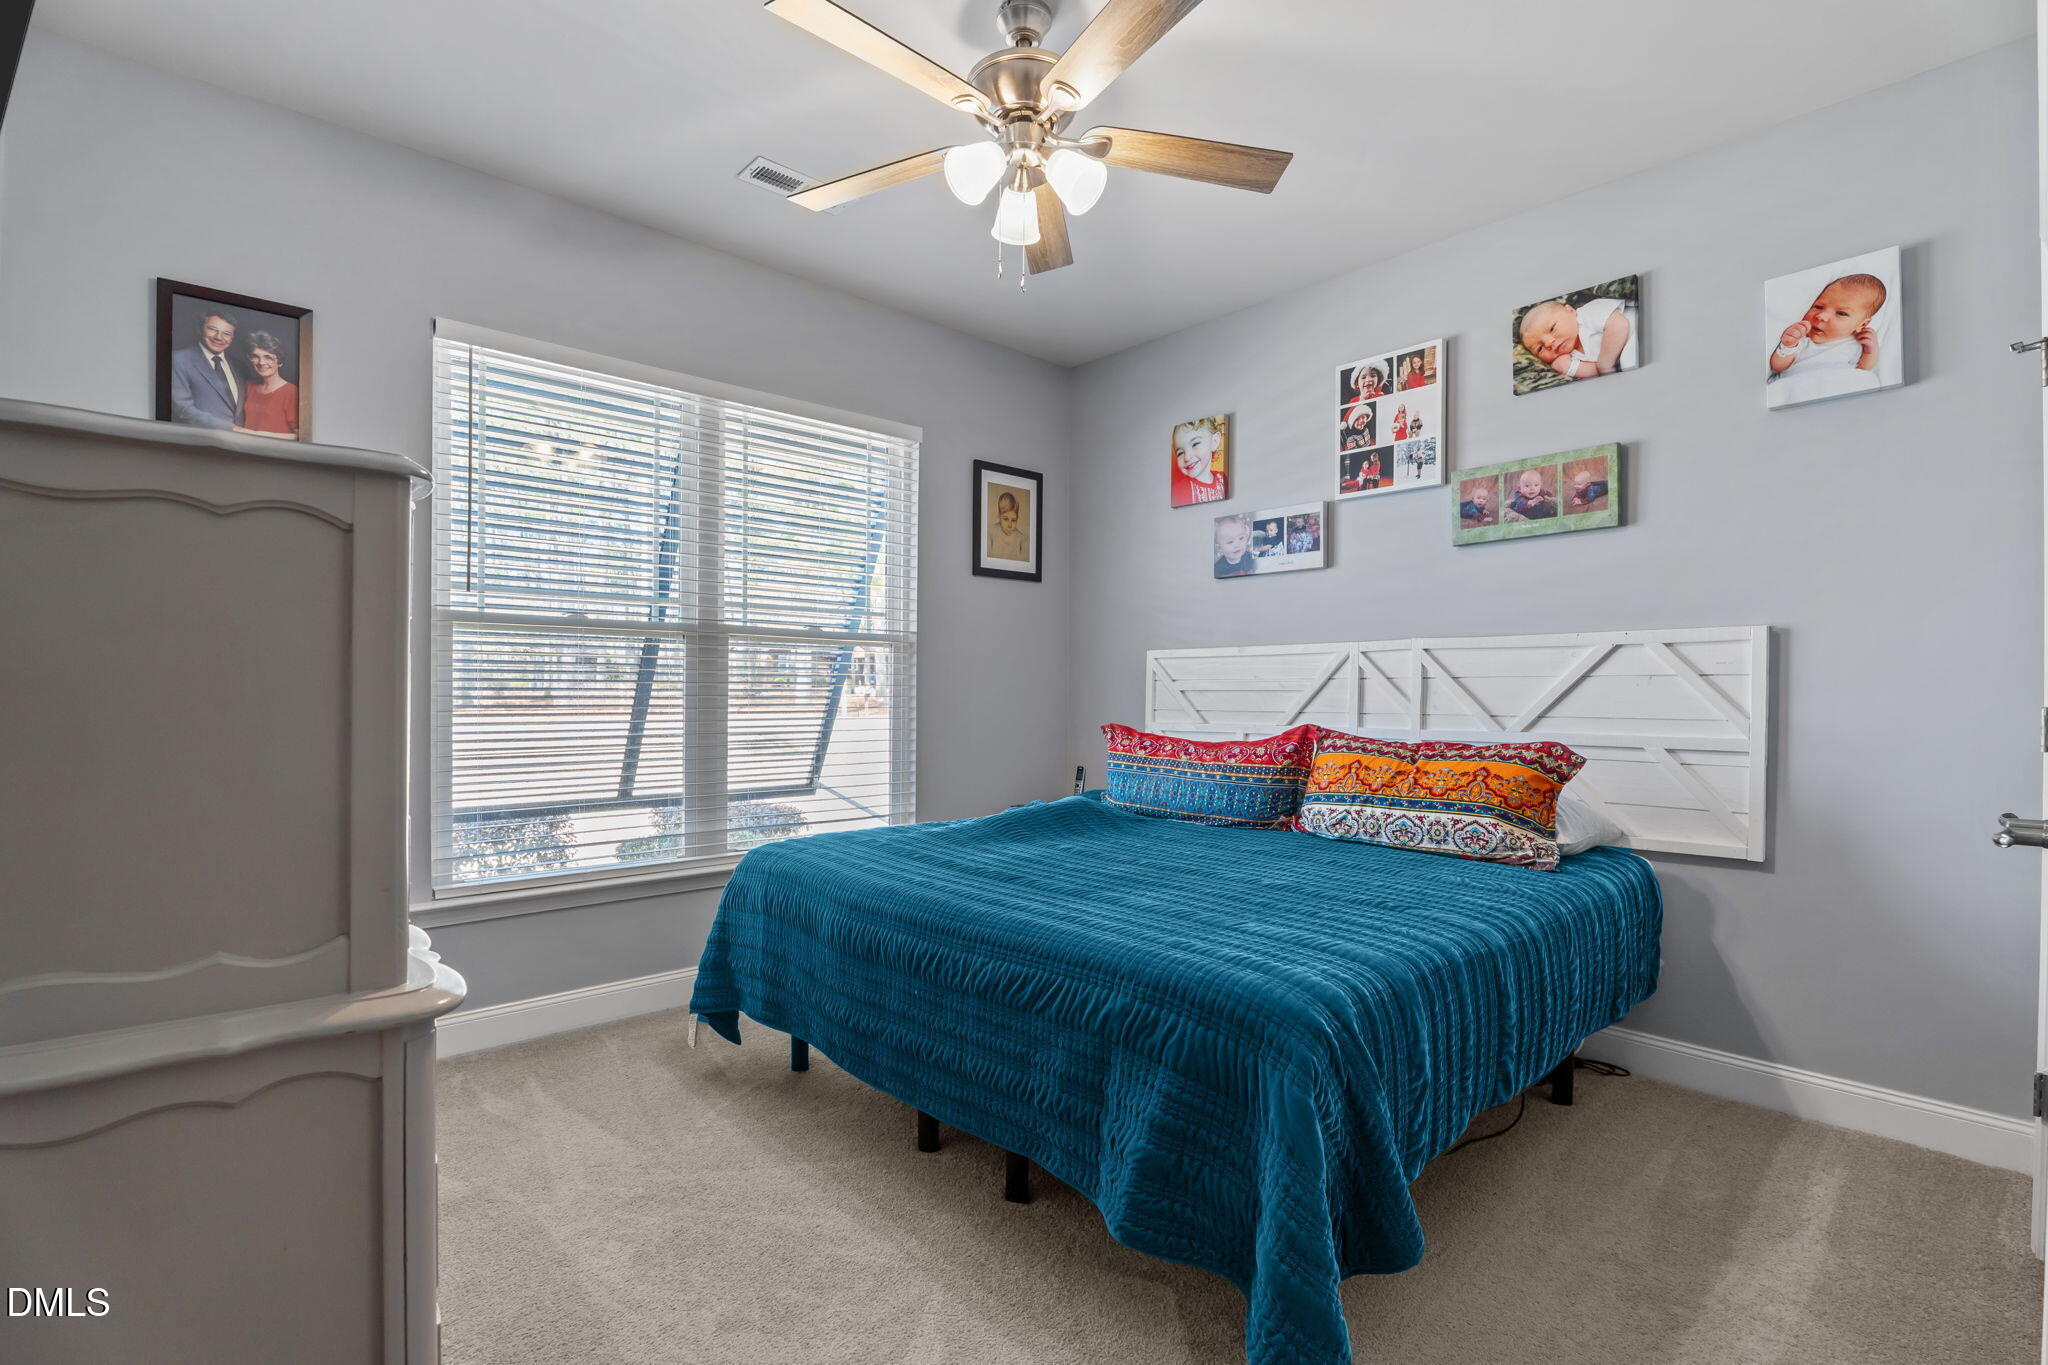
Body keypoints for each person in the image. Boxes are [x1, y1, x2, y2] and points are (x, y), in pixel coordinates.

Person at [1769, 273, 1885, 380]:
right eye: (1818, 307)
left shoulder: (1855, 343)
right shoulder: (1802, 338)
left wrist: (1870, 351)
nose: (1821, 316)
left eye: (1841, 313)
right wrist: (1788, 345)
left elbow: (1863, 370)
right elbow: (1778, 366)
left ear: (1863, 324)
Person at [1519, 293, 1637, 382]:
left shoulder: (1586, 314)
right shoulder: (1572, 356)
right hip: (1631, 349)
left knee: (1628, 363)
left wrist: (1605, 364)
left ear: (1570, 310)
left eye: (1552, 328)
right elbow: (1599, 371)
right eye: (1540, 348)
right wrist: (1569, 367)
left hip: (1637, 329)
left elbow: (1619, 324)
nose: (1549, 343)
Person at [168, 311, 245, 429]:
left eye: (226, 333)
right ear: (201, 329)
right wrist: (232, 429)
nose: (219, 337)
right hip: (200, 442)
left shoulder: (239, 366)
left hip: (241, 444)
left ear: (232, 338)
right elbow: (181, 409)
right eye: (212, 329)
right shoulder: (179, 359)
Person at [237, 331, 299, 438]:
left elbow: (299, 436)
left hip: (275, 452)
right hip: (245, 450)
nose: (261, 362)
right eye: (255, 356)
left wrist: (255, 435)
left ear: (279, 361)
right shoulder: (248, 386)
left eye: (268, 357)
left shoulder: (292, 392)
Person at [1170, 416, 1228, 506]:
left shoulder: (1223, 479)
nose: (1187, 457)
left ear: (1214, 441)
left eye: (1195, 444)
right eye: (1180, 453)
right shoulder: (1180, 489)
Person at [988, 490, 1028, 561]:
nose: (1010, 525)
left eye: (1013, 520)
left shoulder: (1021, 539)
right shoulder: (991, 532)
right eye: (1006, 519)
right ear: (999, 517)